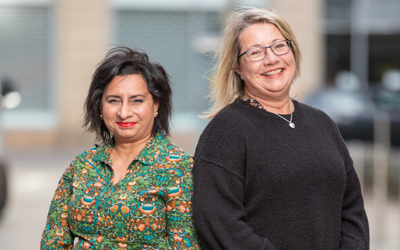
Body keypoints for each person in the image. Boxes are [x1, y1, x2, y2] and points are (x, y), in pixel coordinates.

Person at [192, 8, 369, 250]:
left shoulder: (323, 123)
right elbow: (218, 222)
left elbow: (352, 207)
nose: (272, 59)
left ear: (292, 50)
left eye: (279, 46)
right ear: (238, 68)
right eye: (255, 52)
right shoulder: (225, 132)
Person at [41, 47, 200, 249]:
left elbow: (186, 245)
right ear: (100, 106)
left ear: (156, 106)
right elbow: (53, 241)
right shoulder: (82, 165)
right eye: (114, 101)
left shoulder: (180, 168)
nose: (124, 113)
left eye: (137, 101)